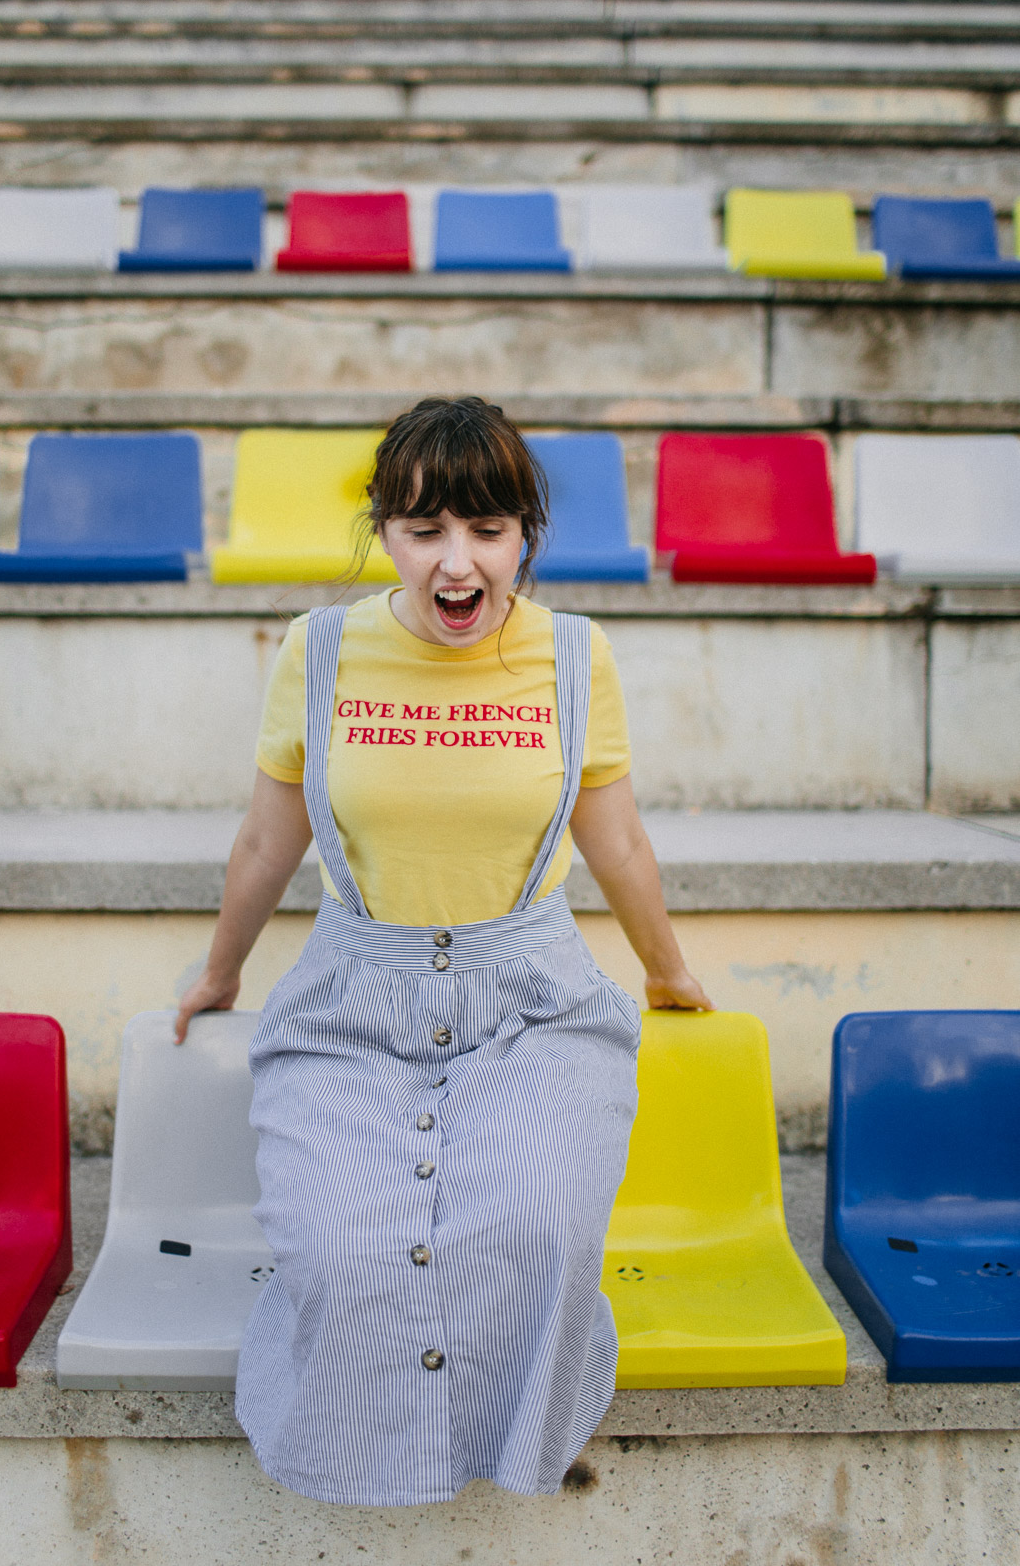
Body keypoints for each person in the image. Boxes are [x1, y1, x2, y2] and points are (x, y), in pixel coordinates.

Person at [175, 397, 711, 1506]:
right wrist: (221, 968)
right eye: (424, 531)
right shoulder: (317, 650)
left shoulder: (573, 655)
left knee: (534, 1217)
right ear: (384, 533)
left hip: (534, 1002)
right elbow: (269, 836)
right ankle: (366, 1442)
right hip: (352, 996)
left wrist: (664, 966)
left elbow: (616, 839)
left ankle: (510, 1436)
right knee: (339, 1243)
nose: (457, 563)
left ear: (525, 534)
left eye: (486, 529)